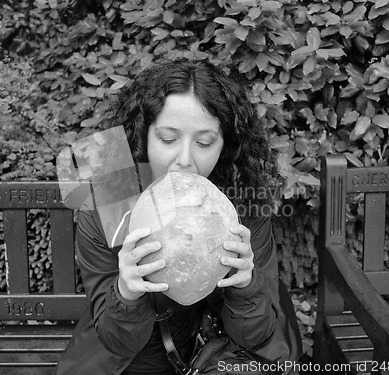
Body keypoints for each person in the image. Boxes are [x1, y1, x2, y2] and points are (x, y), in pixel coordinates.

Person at [55, 58, 301, 375]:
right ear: (143, 135)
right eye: (168, 139)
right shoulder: (109, 193)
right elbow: (117, 341)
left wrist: (245, 287)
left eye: (204, 142)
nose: (184, 160)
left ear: (224, 144)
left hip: (217, 353)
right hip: (131, 360)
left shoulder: (240, 202)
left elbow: (256, 335)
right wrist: (127, 292)